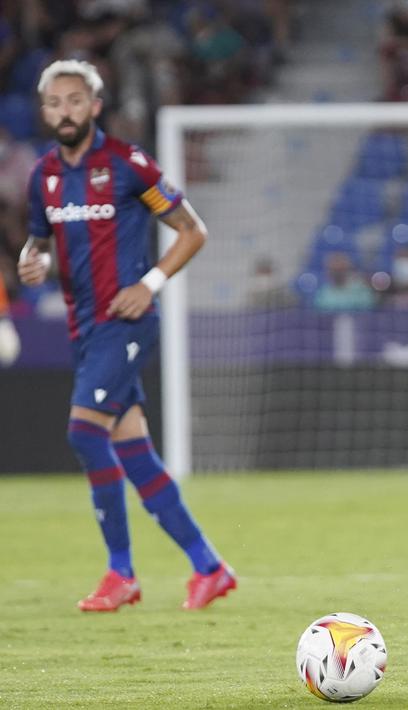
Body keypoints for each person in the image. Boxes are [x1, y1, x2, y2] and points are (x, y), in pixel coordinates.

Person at [17, 60, 236, 612]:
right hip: (86, 328)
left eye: (75, 100)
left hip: (128, 321)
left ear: (95, 106)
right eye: (54, 103)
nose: (64, 111)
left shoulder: (126, 164)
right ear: (44, 112)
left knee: (84, 434)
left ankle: (122, 573)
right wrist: (31, 260)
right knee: (134, 454)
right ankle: (209, 567)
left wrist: (151, 283)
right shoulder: (43, 175)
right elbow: (37, 243)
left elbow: (193, 229)